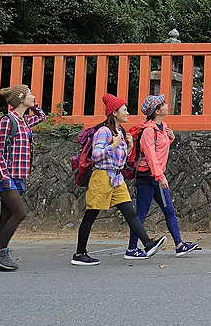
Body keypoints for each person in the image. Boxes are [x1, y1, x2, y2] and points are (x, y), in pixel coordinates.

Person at [70, 94, 166, 266]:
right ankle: (79, 253)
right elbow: (96, 155)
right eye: (124, 110)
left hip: (116, 177)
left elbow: (120, 160)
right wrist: (113, 145)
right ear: (114, 113)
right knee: (91, 215)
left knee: (130, 212)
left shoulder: (121, 132)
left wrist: (128, 147)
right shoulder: (103, 132)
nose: (127, 113)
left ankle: (148, 244)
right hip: (101, 176)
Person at [125, 95, 201, 258]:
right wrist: (160, 177)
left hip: (157, 176)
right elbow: (151, 156)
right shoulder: (148, 131)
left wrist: (170, 137)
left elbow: (160, 149)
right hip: (147, 177)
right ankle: (131, 249)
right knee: (141, 214)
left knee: (169, 211)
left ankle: (179, 245)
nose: (167, 105)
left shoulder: (163, 126)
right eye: (164, 104)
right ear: (157, 111)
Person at [0, 85, 47, 272]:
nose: (34, 96)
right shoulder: (8, 121)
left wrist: (33, 104)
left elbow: (42, 116)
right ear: (21, 98)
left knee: (5, 218)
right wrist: (4, 177)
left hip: (19, 176)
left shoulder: (24, 121)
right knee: (20, 212)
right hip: (6, 177)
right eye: (30, 93)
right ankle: (1, 252)